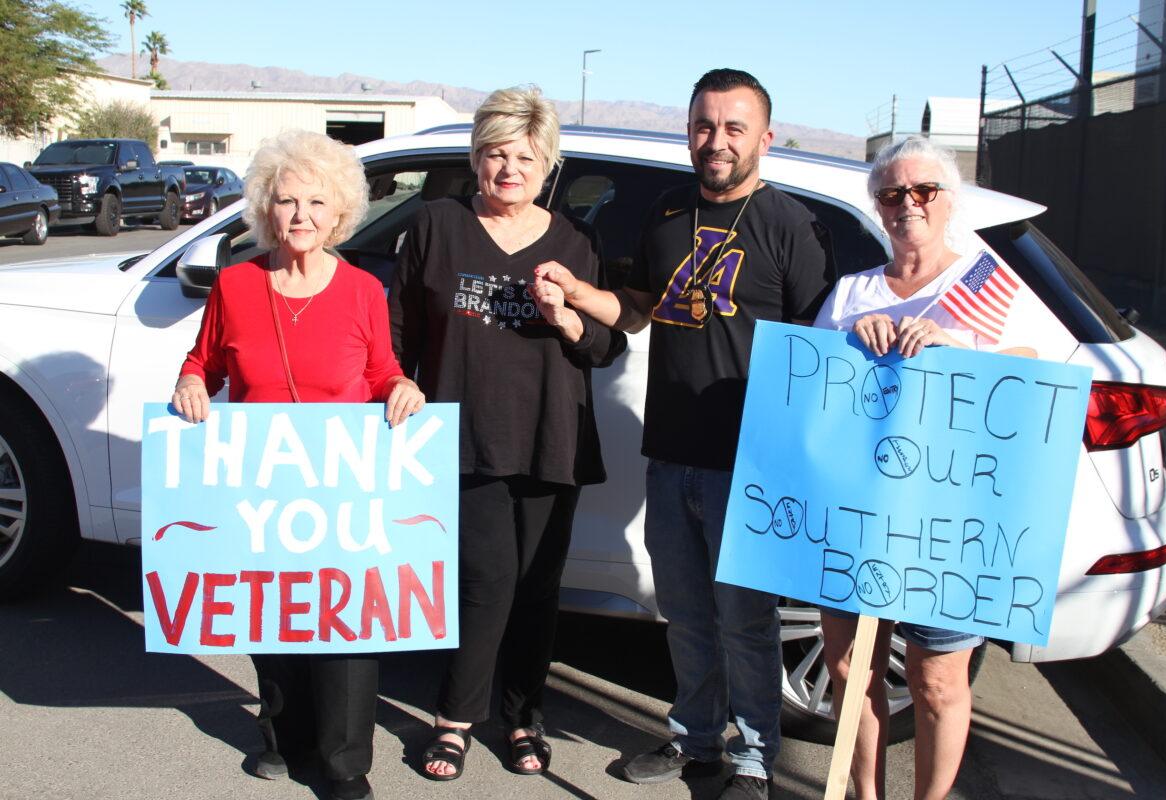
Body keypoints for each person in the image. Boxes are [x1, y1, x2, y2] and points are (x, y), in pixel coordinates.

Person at [535, 68, 832, 800]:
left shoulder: (790, 225)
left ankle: (757, 761)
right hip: (669, 455)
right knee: (685, 617)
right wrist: (578, 295)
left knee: (747, 623)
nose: (716, 140)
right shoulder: (668, 212)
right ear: (688, 129)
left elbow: (822, 351)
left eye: (734, 127)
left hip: (750, 464)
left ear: (765, 136)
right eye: (704, 124)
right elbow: (636, 309)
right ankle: (696, 740)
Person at [172, 129, 424, 800]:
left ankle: (345, 766)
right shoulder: (234, 285)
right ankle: (284, 737)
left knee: (344, 624)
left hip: (341, 485)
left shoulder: (364, 290)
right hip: (259, 481)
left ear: (339, 210)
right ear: (265, 209)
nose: (301, 215)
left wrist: (402, 388)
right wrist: (191, 382)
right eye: (286, 201)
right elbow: (205, 362)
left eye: (317, 201)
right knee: (271, 614)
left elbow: (382, 372)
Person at [388, 86, 627, 781]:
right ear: (477, 157)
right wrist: (397, 381)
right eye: (496, 154)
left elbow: (607, 346)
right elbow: (399, 327)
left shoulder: (576, 240)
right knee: (485, 580)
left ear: (546, 163)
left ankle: (524, 716)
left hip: (553, 437)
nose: (509, 168)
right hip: (462, 436)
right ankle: (455, 721)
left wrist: (568, 318)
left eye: (525, 156)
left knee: (536, 587)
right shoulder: (437, 225)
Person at [813, 135, 1037, 800]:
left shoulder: (987, 286)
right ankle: (865, 794)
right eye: (892, 194)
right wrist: (850, 339)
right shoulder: (852, 292)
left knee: (936, 680)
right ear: (878, 209)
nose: (908, 203)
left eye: (924, 190)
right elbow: (806, 393)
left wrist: (954, 347)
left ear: (948, 200)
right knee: (852, 669)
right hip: (855, 514)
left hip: (949, 522)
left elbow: (1041, 374)